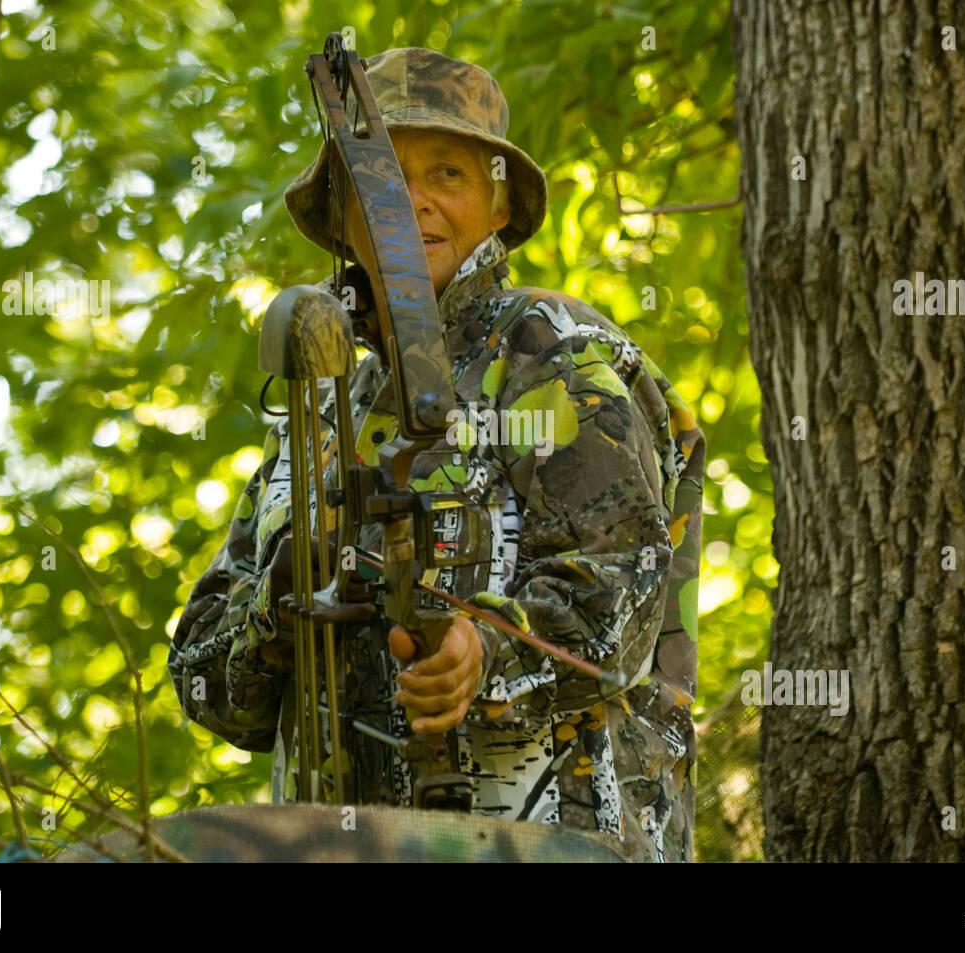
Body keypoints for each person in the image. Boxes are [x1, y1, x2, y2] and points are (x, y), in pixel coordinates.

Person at [167, 46, 706, 862]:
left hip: (555, 842)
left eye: (447, 175)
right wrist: (281, 601)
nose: (408, 207)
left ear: (497, 207)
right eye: (379, 185)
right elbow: (209, 686)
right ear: (342, 213)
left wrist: (481, 652)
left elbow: (620, 586)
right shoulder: (321, 406)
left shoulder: (554, 351)